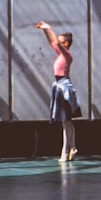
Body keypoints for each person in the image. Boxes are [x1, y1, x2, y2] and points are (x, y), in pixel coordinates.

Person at [36, 21, 82, 161]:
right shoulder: (61, 54)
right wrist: (45, 30)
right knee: (67, 122)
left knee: (66, 122)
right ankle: (72, 148)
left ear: (66, 44)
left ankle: (66, 151)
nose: (57, 44)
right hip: (59, 86)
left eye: (61, 43)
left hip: (64, 88)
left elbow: (55, 41)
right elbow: (52, 42)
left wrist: (49, 27)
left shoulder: (67, 55)